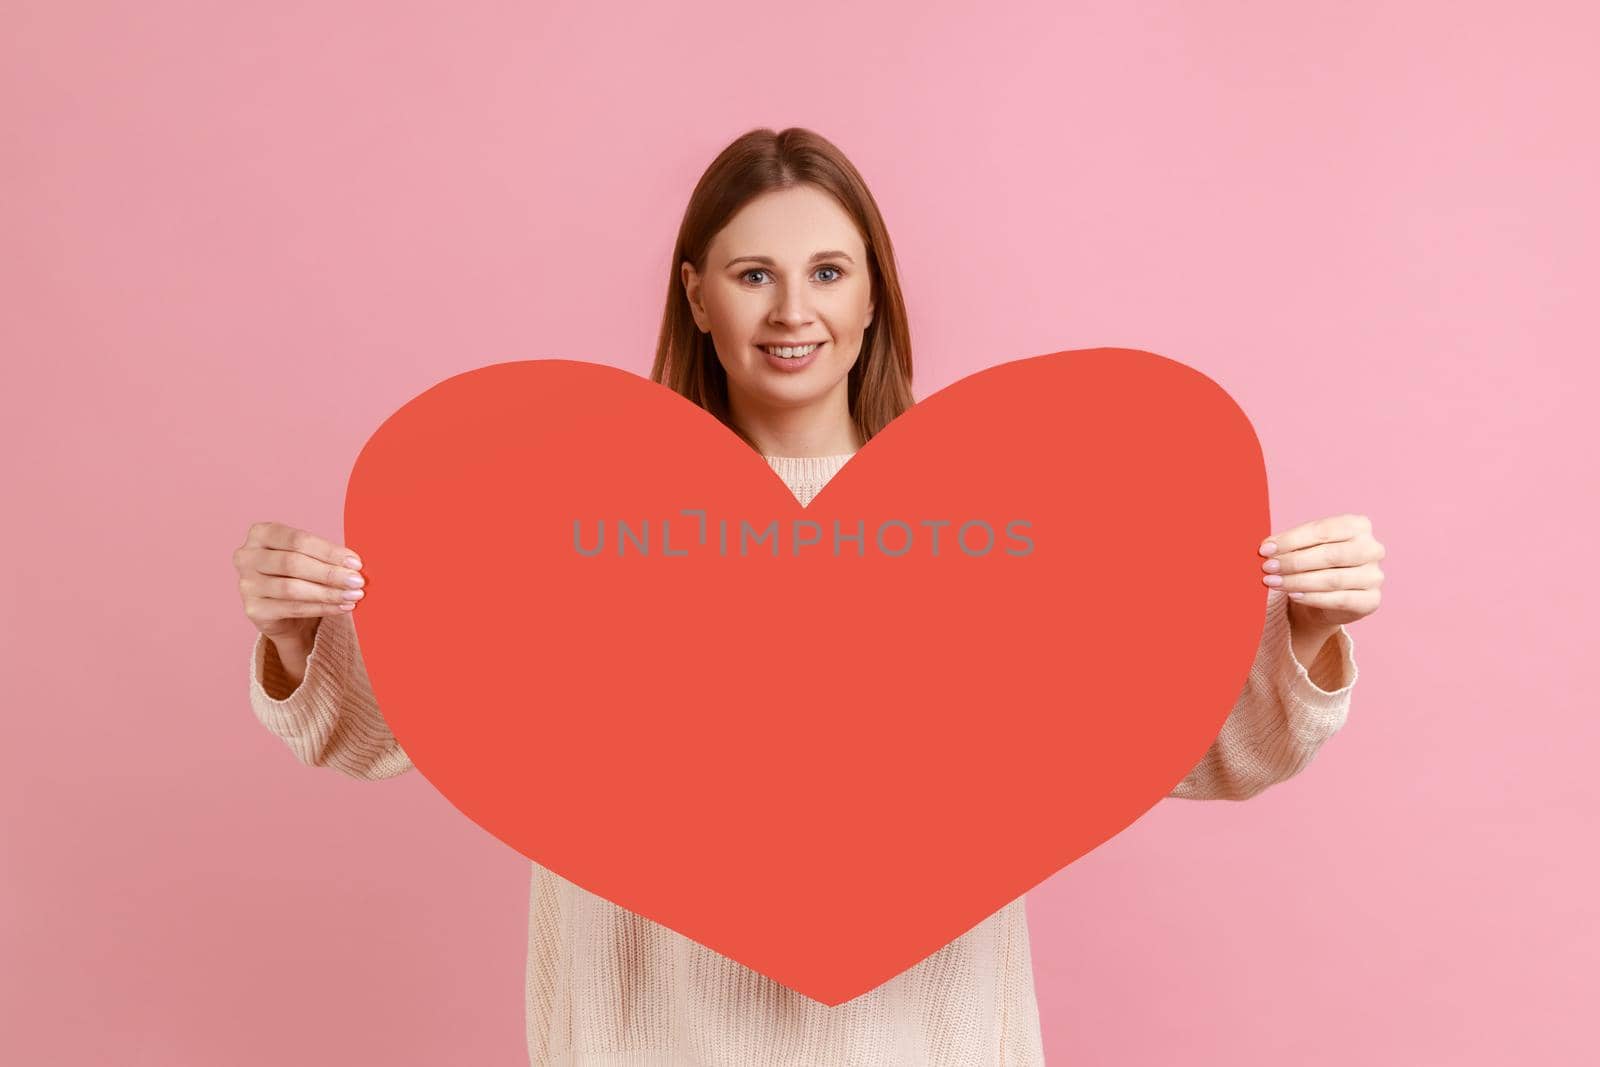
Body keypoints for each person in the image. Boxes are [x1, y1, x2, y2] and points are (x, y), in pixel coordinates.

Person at [235, 127, 1374, 1065]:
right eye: (752, 273)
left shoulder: (1018, 525)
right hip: (644, 1034)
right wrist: (298, 632)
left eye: (827, 271)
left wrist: (1302, 629)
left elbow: (1190, 747)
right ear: (696, 295)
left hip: (922, 1040)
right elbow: (392, 728)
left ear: (874, 296)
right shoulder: (557, 515)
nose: (792, 309)